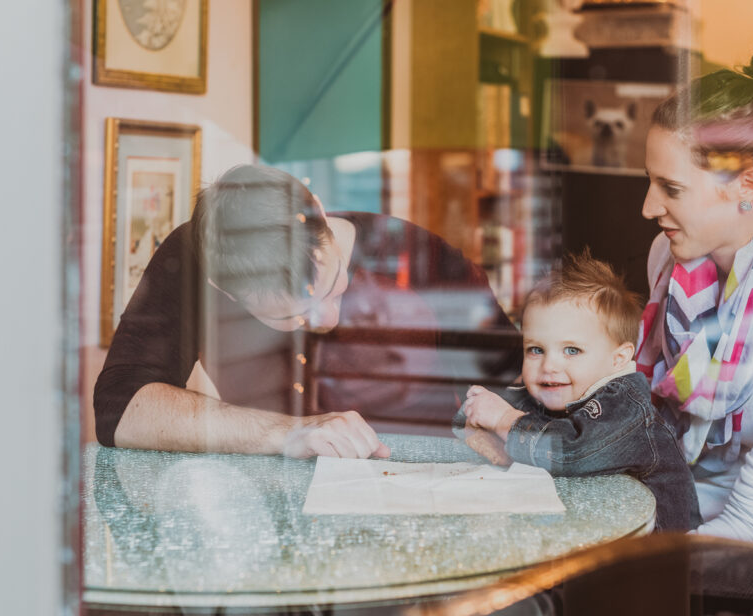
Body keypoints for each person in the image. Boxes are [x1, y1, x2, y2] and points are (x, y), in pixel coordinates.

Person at [94, 163, 517, 459]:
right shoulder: (198, 258)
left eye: (333, 286)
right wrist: (288, 433)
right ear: (220, 287)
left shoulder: (424, 262)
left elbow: (519, 383)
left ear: (317, 208)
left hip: (420, 497)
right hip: (272, 509)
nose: (326, 321)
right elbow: (120, 409)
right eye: (290, 318)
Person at [636, 38, 753, 543]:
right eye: (649, 181)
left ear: (748, 185)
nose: (648, 207)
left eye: (671, 188)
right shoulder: (666, 258)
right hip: (682, 519)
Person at [455, 250, 701, 532]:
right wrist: (476, 418)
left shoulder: (625, 407)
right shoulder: (548, 389)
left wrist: (502, 422)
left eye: (572, 350)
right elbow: (483, 419)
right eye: (536, 349)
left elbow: (571, 451)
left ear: (618, 359)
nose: (549, 365)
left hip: (651, 557)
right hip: (584, 536)